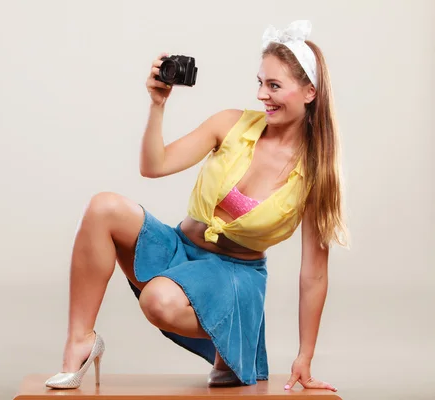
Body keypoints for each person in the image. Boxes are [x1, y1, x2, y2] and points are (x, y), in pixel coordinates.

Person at [44, 20, 347, 392]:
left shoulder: (317, 175)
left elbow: (314, 274)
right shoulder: (230, 123)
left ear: (309, 92)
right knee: (103, 207)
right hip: (178, 250)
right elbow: (153, 166)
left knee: (159, 300)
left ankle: (232, 337)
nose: (261, 95)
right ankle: (80, 343)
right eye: (260, 82)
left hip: (233, 277)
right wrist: (157, 105)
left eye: (274, 86)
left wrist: (305, 357)